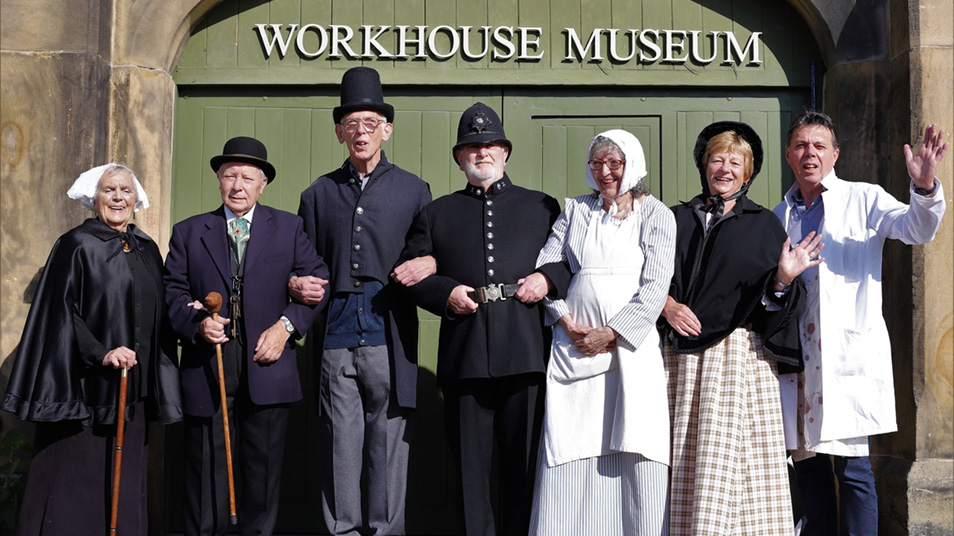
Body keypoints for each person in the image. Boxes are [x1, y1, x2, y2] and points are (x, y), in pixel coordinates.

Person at [396, 102, 570, 536]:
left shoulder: (543, 206)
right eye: (472, 147)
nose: (482, 152)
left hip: (526, 353)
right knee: (469, 479)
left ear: (505, 152)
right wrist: (446, 291)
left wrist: (548, 279)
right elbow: (408, 273)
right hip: (465, 357)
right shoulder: (436, 213)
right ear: (459, 157)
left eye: (490, 144)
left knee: (525, 471)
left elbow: (572, 262)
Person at [775, 110, 947, 535]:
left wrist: (924, 188)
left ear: (835, 154)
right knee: (809, 470)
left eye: (819, 146)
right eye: (800, 145)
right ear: (788, 155)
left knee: (853, 472)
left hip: (845, 356)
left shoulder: (863, 198)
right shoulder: (779, 214)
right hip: (798, 358)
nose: (809, 153)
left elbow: (916, 228)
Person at [661, 121, 823, 535]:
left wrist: (783, 279)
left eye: (736, 162)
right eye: (718, 159)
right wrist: (667, 304)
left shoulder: (764, 224)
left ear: (748, 172)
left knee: (730, 464)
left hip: (734, 361)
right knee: (677, 457)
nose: (726, 168)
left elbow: (773, 305)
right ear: (704, 164)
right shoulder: (674, 218)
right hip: (677, 364)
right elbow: (646, 276)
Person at [2, 164, 182, 535]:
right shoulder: (76, 245)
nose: (118, 198)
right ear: (93, 198)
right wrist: (101, 352)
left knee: (125, 483)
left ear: (137, 199)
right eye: (109, 191)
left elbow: (157, 309)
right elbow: (58, 312)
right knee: (74, 482)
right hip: (83, 391)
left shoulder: (146, 248)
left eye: (126, 191)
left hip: (132, 391)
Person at [291, 66, 433, 536]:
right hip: (334, 334)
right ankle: (343, 532)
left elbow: (426, 253)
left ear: (386, 130)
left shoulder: (414, 190)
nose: (360, 132)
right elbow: (301, 262)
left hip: (387, 330)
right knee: (340, 445)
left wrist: (429, 264)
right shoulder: (316, 194)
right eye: (351, 124)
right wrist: (295, 284)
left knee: (387, 443)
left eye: (370, 123)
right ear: (338, 133)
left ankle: (386, 531)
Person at [164, 136, 330, 536]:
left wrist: (285, 327)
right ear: (219, 181)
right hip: (209, 368)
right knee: (206, 473)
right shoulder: (189, 232)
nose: (237, 186)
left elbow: (319, 281)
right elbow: (173, 293)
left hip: (267, 367)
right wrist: (197, 324)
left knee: (263, 474)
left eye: (247, 178)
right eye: (229, 176)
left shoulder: (288, 228)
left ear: (262, 184)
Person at [528, 130, 675, 535]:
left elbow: (655, 286)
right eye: (597, 163)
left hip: (630, 349)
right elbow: (548, 267)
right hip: (574, 348)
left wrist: (611, 333)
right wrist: (561, 317)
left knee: (634, 444)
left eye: (615, 162)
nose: (605, 171)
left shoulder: (656, 214)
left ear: (633, 165)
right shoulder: (574, 210)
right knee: (572, 443)